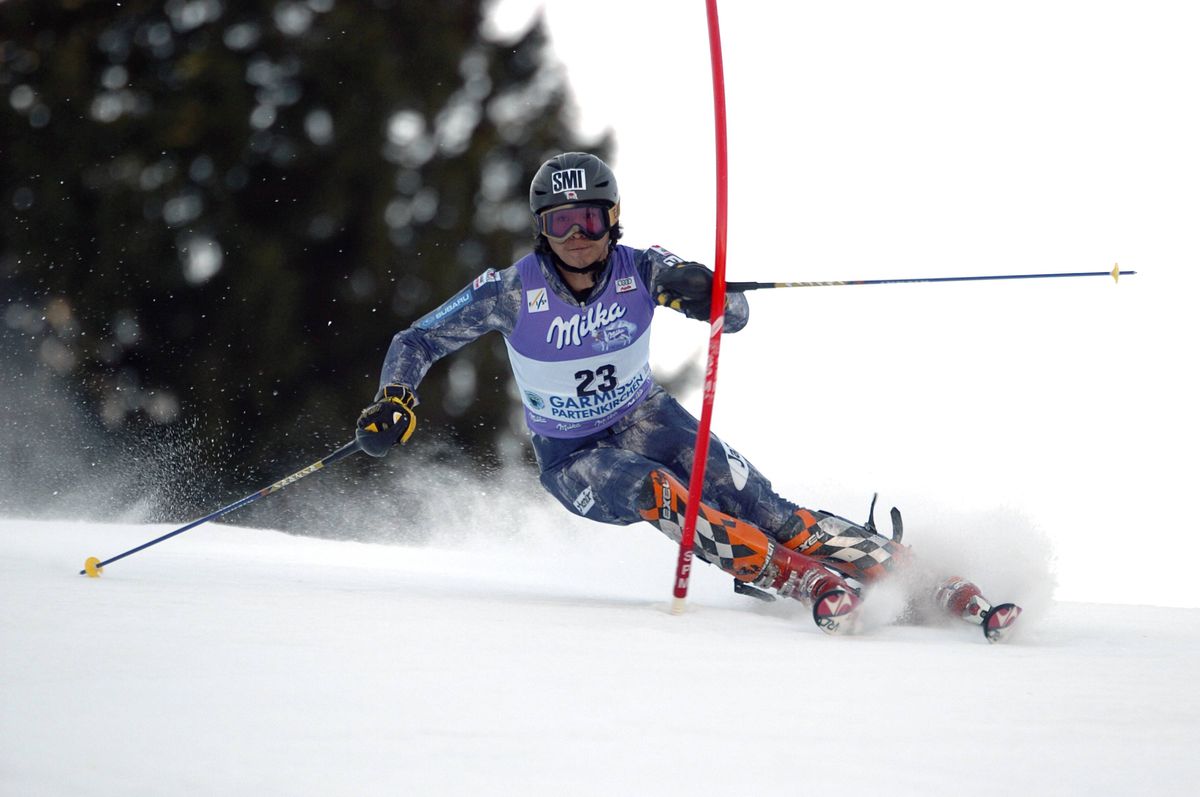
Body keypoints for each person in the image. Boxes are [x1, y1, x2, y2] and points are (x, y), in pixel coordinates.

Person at [355, 152, 1021, 640]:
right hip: (573, 455)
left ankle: (925, 579)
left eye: (589, 219)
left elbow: (732, 314)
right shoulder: (510, 290)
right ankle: (799, 578)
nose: (577, 237)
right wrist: (395, 398)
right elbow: (418, 339)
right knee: (660, 492)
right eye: (560, 224)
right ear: (541, 230)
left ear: (612, 218)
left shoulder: (641, 268)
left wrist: (712, 296)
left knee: (767, 506)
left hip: (646, 416)